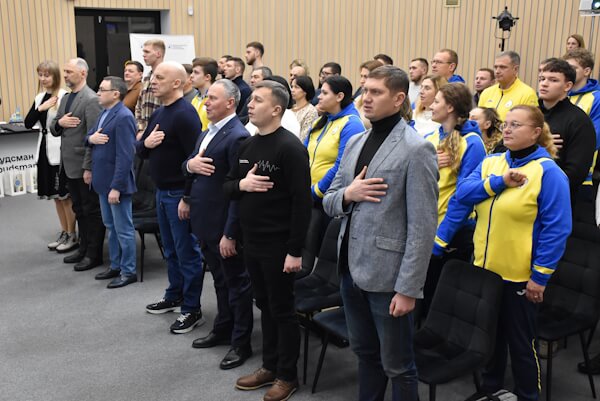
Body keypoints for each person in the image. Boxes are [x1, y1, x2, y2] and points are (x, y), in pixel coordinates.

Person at [323, 65, 439, 401]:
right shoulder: (356, 141)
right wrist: (349, 195)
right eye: (365, 91)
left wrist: (408, 289)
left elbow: (422, 226)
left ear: (399, 98)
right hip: (350, 269)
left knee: (398, 366)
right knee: (365, 354)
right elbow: (330, 200)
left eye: (376, 92)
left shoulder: (417, 149)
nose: (366, 98)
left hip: (389, 278)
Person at [456, 105, 572, 401]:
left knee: (522, 343)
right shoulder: (491, 162)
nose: (507, 129)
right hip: (485, 271)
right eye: (505, 124)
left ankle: (527, 394)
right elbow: (463, 193)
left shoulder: (548, 173)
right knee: (489, 336)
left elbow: (557, 230)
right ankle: (491, 388)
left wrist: (540, 277)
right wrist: (500, 182)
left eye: (516, 125)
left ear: (536, 132)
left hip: (519, 276)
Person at [225, 80, 311, 401]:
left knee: (282, 310)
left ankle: (287, 375)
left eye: (258, 100)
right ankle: (270, 366)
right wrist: (242, 185)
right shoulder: (247, 145)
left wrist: (295, 251)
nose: (249, 104)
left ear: (276, 109)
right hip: (252, 241)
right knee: (264, 304)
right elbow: (227, 186)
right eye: (251, 99)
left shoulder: (290, 148)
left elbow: (302, 203)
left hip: (279, 245)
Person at [183, 79, 254, 370]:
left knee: (237, 285)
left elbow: (238, 191)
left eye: (212, 98)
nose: (206, 102)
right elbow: (190, 164)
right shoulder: (207, 132)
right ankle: (223, 328)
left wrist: (230, 233)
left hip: (223, 225)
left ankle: (241, 342)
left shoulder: (237, 136)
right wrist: (190, 168)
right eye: (206, 97)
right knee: (221, 282)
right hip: (205, 220)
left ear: (230, 103)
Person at [137, 61, 205, 334]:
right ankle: (174, 295)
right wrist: (146, 143)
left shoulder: (185, 114)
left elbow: (194, 160)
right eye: (153, 77)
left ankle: (192, 308)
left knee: (187, 252)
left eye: (160, 77)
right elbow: (141, 150)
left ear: (177, 83)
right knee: (171, 250)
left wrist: (187, 197)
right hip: (161, 192)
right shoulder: (159, 112)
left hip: (178, 193)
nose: (153, 81)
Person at [422, 83, 486, 315]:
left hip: (449, 233)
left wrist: (441, 240)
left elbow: (463, 198)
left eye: (437, 101)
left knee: (435, 303)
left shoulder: (472, 143)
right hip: (424, 226)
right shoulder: (430, 137)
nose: (431, 105)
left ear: (450, 107)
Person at [50, 58, 105, 272]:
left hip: (83, 165)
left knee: (91, 210)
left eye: (69, 71)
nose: (65, 75)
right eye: (64, 71)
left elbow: (94, 137)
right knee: (79, 209)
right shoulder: (66, 98)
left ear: (83, 73)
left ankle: (94, 254)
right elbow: (54, 127)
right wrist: (60, 123)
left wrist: (89, 167)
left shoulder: (91, 99)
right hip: (68, 164)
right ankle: (83, 248)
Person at [85, 76, 138, 288]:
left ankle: (128, 270)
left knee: (123, 229)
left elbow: (125, 156)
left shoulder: (124, 116)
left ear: (115, 94)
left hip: (116, 185)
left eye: (102, 89)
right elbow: (89, 136)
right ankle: (116, 265)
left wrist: (116, 187)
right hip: (103, 182)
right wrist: (91, 139)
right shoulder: (104, 113)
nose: (98, 93)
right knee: (111, 227)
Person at [24, 60, 74, 252]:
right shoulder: (40, 98)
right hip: (44, 149)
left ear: (55, 76)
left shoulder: (63, 96)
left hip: (59, 149)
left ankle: (72, 234)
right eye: (41, 75)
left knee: (64, 196)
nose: (43, 79)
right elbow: (28, 123)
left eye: (47, 75)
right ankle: (64, 231)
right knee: (55, 197)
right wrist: (41, 108)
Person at [539, 59, 596, 205]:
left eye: (553, 80)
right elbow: (500, 149)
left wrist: (542, 189)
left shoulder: (579, 121)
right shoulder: (527, 114)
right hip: (519, 191)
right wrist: (536, 143)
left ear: (568, 86)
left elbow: (576, 172)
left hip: (556, 198)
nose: (544, 84)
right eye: (542, 79)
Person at [307, 75, 365, 206]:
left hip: (329, 199)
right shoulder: (319, 122)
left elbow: (342, 166)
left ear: (339, 97)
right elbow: (303, 154)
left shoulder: (352, 124)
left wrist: (316, 191)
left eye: (325, 93)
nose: (319, 97)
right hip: (307, 194)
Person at [564, 48, 600, 192]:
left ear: (587, 71)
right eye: (565, 67)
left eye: (573, 68)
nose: (567, 72)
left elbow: (594, 138)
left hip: (582, 177)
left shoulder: (596, 98)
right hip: (555, 170)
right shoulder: (561, 93)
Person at [478, 51, 538, 121]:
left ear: (515, 69)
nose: (497, 71)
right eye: (495, 67)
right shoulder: (486, 92)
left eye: (502, 67)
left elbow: (530, 123)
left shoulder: (527, 94)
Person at [134, 39, 165, 140]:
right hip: (144, 135)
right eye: (143, 52)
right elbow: (139, 106)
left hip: (159, 135)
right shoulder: (147, 77)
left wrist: (153, 131)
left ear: (158, 54)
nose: (144, 55)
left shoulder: (167, 77)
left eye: (147, 52)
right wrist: (140, 129)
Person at [190, 57, 218, 131]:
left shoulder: (216, 100)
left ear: (207, 77)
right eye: (192, 72)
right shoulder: (195, 99)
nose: (191, 76)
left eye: (196, 73)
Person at [354, 60, 384, 129]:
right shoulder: (358, 99)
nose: (361, 81)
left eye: (366, 77)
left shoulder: (382, 101)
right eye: (361, 76)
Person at [291, 75, 318, 142]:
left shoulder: (311, 111)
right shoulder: (289, 109)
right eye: (292, 87)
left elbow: (304, 137)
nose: (292, 90)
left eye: (296, 87)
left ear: (305, 91)